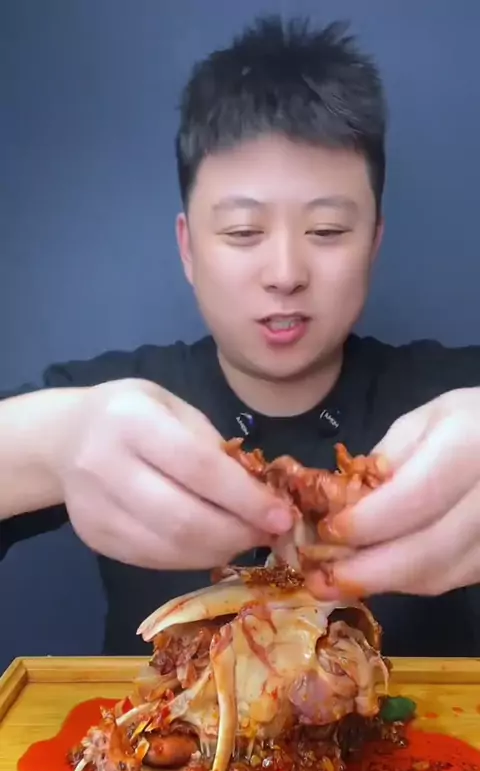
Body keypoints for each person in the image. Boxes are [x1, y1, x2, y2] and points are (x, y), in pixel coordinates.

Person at [1, 16, 479, 658]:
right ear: (188, 248)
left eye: (328, 231)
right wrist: (51, 444)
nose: (285, 273)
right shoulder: (111, 402)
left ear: (373, 243)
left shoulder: (451, 394)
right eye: (243, 233)